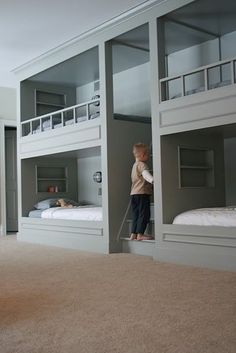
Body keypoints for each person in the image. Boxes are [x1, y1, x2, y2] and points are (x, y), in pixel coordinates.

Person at [130, 143, 154, 241]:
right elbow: (145, 175)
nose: (148, 156)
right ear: (143, 155)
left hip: (133, 194)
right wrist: (153, 180)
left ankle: (133, 234)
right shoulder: (142, 165)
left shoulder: (134, 165)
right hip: (142, 193)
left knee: (136, 214)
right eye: (148, 154)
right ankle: (140, 234)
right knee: (144, 214)